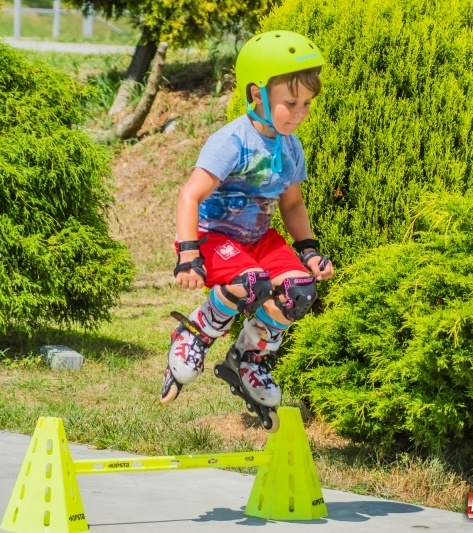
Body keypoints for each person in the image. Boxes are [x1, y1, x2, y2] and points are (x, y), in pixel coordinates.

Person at [160, 30, 334, 429]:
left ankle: (249, 359)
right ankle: (195, 334)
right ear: (257, 94)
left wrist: (307, 249)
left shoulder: (290, 145)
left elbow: (291, 203)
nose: (301, 112)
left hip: (257, 238)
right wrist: (188, 255)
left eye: (307, 103)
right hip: (214, 237)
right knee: (252, 283)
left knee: (299, 292)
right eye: (290, 103)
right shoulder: (232, 141)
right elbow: (189, 196)